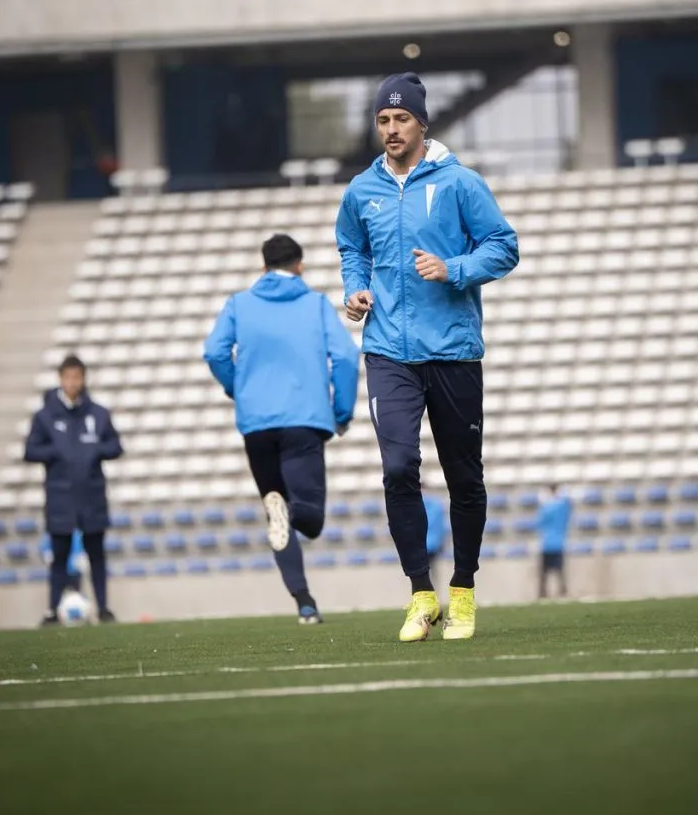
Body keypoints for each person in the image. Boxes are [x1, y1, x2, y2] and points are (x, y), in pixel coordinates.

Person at [335, 72, 519, 642]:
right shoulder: (360, 191)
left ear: (423, 123)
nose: (391, 129)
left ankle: (462, 592)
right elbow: (353, 246)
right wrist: (355, 288)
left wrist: (454, 268)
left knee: (465, 477)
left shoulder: (460, 183)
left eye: (401, 119)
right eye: (383, 120)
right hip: (388, 350)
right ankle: (421, 593)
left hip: (453, 351)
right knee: (396, 469)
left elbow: (503, 245)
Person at [204, 234, 360, 624]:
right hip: (304, 419)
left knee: (277, 513)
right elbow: (344, 356)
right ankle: (289, 510)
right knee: (311, 517)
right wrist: (341, 412)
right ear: (300, 266)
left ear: (263, 267)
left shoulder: (239, 304)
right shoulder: (315, 304)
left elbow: (214, 351)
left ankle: (304, 602)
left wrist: (237, 387)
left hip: (256, 423)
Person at [24, 355, 123, 625]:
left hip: (91, 495)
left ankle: (103, 608)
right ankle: (52, 610)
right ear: (60, 378)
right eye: (68, 377)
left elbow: (115, 446)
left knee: (97, 554)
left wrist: (93, 450)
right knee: (59, 556)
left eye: (77, 377)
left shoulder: (98, 413)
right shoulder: (45, 417)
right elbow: (30, 451)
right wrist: (56, 452)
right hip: (60, 497)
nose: (72, 382)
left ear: (83, 378)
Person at [536, 484, 572, 598]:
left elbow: (539, 522)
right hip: (558, 543)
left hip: (547, 543)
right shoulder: (562, 506)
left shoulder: (546, 507)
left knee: (544, 572)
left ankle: (543, 594)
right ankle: (563, 592)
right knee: (559, 571)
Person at [423, 491, 447, 582]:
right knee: (433, 571)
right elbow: (440, 526)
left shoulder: (413, 504)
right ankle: (433, 592)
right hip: (433, 544)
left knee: (421, 572)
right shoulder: (436, 505)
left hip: (420, 544)